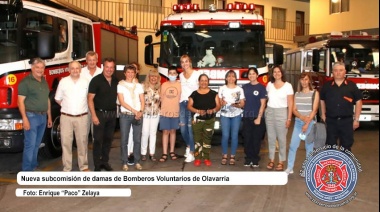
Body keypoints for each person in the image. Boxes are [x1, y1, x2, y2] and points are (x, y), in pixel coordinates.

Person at [18, 58, 52, 171]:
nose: (40, 70)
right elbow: (20, 102)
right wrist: (25, 118)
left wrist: (49, 116)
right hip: (31, 117)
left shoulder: (43, 81)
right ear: (32, 68)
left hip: (43, 117)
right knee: (30, 144)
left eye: (42, 68)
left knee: (37, 144)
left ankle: (33, 165)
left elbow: (47, 99)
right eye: (37, 67)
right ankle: (27, 170)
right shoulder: (25, 82)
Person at [55, 61, 90, 172]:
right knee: (65, 143)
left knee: (82, 143)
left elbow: (90, 99)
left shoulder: (86, 82)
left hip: (82, 117)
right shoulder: (63, 82)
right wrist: (67, 106)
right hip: (66, 117)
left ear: (80, 69)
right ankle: (67, 168)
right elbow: (57, 98)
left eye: (77, 68)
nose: (75, 70)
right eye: (72, 68)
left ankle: (83, 166)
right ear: (69, 70)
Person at [320, 62, 362, 152]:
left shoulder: (352, 86)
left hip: (346, 122)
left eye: (341, 70)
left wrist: (357, 119)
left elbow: (359, 101)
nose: (338, 73)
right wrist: (323, 115)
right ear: (332, 72)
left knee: (346, 147)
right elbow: (322, 100)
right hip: (331, 121)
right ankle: (333, 165)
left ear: (345, 72)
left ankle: (345, 165)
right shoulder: (327, 86)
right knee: (330, 147)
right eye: (336, 70)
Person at [88, 57, 118, 171]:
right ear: (103, 67)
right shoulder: (96, 80)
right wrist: (94, 115)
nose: (109, 69)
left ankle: (105, 162)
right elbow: (90, 99)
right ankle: (97, 164)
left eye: (111, 67)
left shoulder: (116, 81)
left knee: (108, 139)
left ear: (113, 68)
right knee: (98, 140)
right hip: (99, 114)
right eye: (107, 67)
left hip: (112, 115)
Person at [286, 72, 319, 175]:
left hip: (310, 123)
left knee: (309, 147)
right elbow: (294, 109)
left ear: (309, 80)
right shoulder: (297, 94)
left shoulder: (315, 93)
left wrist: (307, 123)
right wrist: (302, 118)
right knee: (292, 146)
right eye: (302, 79)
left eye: (306, 79)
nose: (304, 82)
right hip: (298, 123)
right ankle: (289, 168)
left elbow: (314, 110)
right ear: (299, 81)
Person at [187, 74, 221, 166]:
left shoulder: (214, 93)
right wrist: (197, 111)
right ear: (199, 82)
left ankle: (206, 158)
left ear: (208, 82)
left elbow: (218, 106)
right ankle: (197, 158)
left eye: (205, 80)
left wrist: (213, 110)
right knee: (197, 140)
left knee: (207, 140)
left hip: (209, 120)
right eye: (202, 80)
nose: (203, 82)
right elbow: (189, 106)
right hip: (197, 120)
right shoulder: (194, 94)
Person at [265, 66, 294, 171]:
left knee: (282, 139)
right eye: (274, 72)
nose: (277, 73)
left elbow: (290, 103)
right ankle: (271, 159)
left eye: (279, 72)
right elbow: (266, 99)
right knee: (271, 138)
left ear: (282, 73)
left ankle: (281, 161)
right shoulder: (269, 85)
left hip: (282, 113)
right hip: (270, 112)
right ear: (272, 74)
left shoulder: (288, 86)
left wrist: (289, 118)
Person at [117, 65, 145, 171]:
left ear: (135, 73)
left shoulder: (138, 86)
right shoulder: (120, 85)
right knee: (124, 139)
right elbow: (122, 102)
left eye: (132, 72)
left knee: (137, 139)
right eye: (128, 72)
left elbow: (142, 100)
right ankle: (125, 162)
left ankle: (137, 161)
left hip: (138, 115)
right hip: (126, 115)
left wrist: (141, 111)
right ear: (125, 73)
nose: (130, 74)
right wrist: (134, 111)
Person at [218, 70, 245, 165]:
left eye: (233, 76)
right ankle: (224, 155)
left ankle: (232, 156)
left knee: (234, 136)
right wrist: (222, 103)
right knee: (225, 135)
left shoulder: (239, 89)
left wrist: (237, 105)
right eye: (229, 76)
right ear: (226, 78)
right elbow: (218, 102)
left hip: (236, 115)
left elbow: (242, 103)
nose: (231, 78)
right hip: (224, 115)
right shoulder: (222, 88)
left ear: (235, 78)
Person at [242, 67, 267, 167]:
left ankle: (255, 159)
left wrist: (259, 118)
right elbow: (242, 102)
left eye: (253, 73)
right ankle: (248, 158)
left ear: (257, 75)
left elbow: (263, 104)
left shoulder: (261, 87)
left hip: (257, 117)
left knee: (256, 140)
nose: (251, 75)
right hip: (247, 117)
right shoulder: (244, 87)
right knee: (247, 139)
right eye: (249, 74)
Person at [179, 54, 200, 163]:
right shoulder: (181, 76)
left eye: (186, 61)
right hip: (182, 103)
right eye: (182, 62)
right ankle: (189, 145)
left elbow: (201, 89)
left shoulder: (197, 74)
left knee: (191, 129)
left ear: (190, 62)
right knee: (183, 129)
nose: (185, 64)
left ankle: (192, 153)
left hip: (193, 104)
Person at [159, 67, 181, 162]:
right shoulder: (163, 85)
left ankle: (172, 151)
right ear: (168, 74)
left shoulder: (180, 85)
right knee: (165, 132)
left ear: (177, 75)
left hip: (175, 111)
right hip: (165, 112)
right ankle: (164, 153)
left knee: (173, 132)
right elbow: (160, 98)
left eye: (174, 73)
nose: (172, 75)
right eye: (170, 73)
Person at [80, 51, 102, 144]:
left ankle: (97, 154)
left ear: (97, 60)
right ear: (86, 60)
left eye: (94, 60)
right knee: (83, 133)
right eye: (90, 60)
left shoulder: (102, 72)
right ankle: (83, 157)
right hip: (83, 106)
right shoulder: (80, 72)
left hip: (98, 106)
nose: (92, 62)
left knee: (97, 132)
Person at [141, 69, 161, 162]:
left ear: (158, 78)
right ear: (148, 77)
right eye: (151, 76)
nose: (153, 78)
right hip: (145, 114)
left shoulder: (160, 88)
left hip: (156, 114)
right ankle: (143, 153)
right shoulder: (143, 87)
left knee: (153, 133)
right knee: (145, 133)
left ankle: (152, 153)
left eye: (155, 76)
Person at [126, 62, 141, 165]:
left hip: (137, 113)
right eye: (130, 70)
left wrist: (139, 112)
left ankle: (132, 153)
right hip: (127, 112)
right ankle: (127, 154)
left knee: (134, 135)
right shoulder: (123, 83)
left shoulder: (139, 84)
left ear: (137, 71)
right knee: (128, 134)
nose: (132, 72)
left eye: (134, 70)